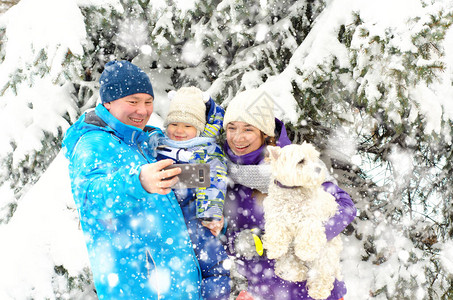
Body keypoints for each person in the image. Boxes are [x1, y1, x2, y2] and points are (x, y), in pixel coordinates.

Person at [62, 60, 202, 299]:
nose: (143, 110)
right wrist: (138, 182)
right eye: (132, 101)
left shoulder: (141, 138)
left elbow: (182, 176)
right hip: (138, 286)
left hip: (175, 280)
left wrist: (207, 175)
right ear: (108, 102)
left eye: (148, 102)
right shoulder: (93, 143)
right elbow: (89, 197)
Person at [222, 89, 357, 300]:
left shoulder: (298, 163)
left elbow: (345, 206)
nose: (237, 137)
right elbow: (214, 228)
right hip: (261, 291)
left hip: (315, 292)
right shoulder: (220, 169)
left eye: (248, 129)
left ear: (265, 133)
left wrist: (311, 235)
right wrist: (241, 243)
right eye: (231, 128)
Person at [156, 86, 231, 299]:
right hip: (164, 221)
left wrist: (210, 215)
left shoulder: (206, 150)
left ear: (198, 128)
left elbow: (214, 180)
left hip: (197, 221)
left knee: (212, 267)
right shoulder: (157, 145)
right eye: (174, 124)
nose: (179, 131)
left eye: (187, 125)